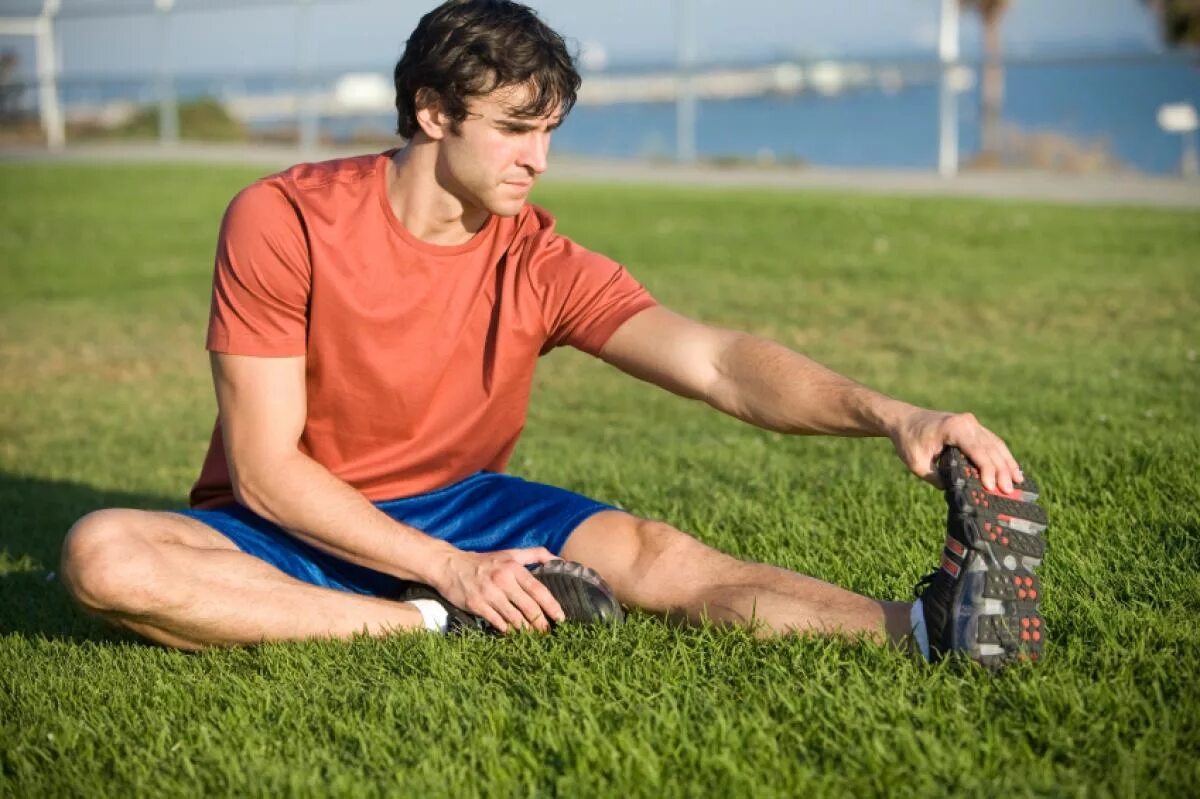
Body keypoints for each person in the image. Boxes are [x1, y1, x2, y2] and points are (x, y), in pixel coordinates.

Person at [60, 0, 1043, 667]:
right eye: (516, 129)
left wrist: (895, 413)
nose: (540, 159)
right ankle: (426, 622)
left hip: (463, 499)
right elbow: (268, 471)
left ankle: (923, 628)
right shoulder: (283, 219)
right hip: (292, 518)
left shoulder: (538, 261)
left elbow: (719, 364)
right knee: (104, 554)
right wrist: (445, 574)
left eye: (552, 130)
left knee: (659, 555)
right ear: (432, 111)